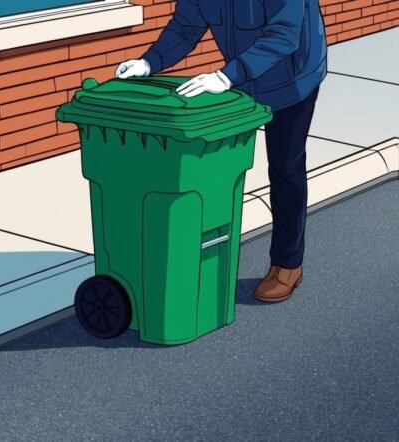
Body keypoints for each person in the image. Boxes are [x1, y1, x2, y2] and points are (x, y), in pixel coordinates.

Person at [115, 0, 327, 303]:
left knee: (285, 166)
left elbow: (284, 35)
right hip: (241, 79)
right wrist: (149, 62)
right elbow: (186, 27)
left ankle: (287, 264)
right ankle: (204, 257)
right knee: (218, 166)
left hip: (292, 78)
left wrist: (225, 77)